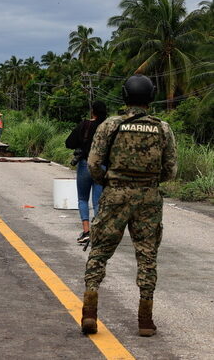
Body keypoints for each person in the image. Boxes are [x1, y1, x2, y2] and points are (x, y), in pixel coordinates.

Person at [80, 74, 177, 338]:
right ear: (151, 98)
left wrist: (109, 182)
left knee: (99, 252)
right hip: (148, 198)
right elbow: (170, 169)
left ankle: (89, 312)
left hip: (115, 196)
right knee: (147, 257)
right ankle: (145, 320)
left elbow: (92, 163)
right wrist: (149, 183)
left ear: (124, 96)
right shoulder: (163, 128)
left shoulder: (111, 125)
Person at [65, 101, 108, 244]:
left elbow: (69, 143)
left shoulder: (85, 125)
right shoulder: (108, 127)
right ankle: (98, 233)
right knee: (97, 202)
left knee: (83, 199)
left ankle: (86, 232)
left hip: (85, 164)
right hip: (102, 166)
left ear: (93, 112)